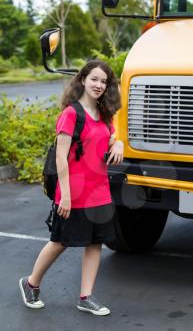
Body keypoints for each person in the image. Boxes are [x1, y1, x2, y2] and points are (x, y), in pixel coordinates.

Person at [19, 60, 124, 316]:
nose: (99, 85)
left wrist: (118, 143)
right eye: (94, 79)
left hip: (99, 191)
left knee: (95, 243)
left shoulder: (105, 114)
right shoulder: (71, 114)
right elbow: (60, 157)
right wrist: (64, 195)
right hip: (72, 193)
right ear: (83, 80)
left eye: (104, 81)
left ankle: (85, 297)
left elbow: (110, 139)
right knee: (60, 241)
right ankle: (31, 283)